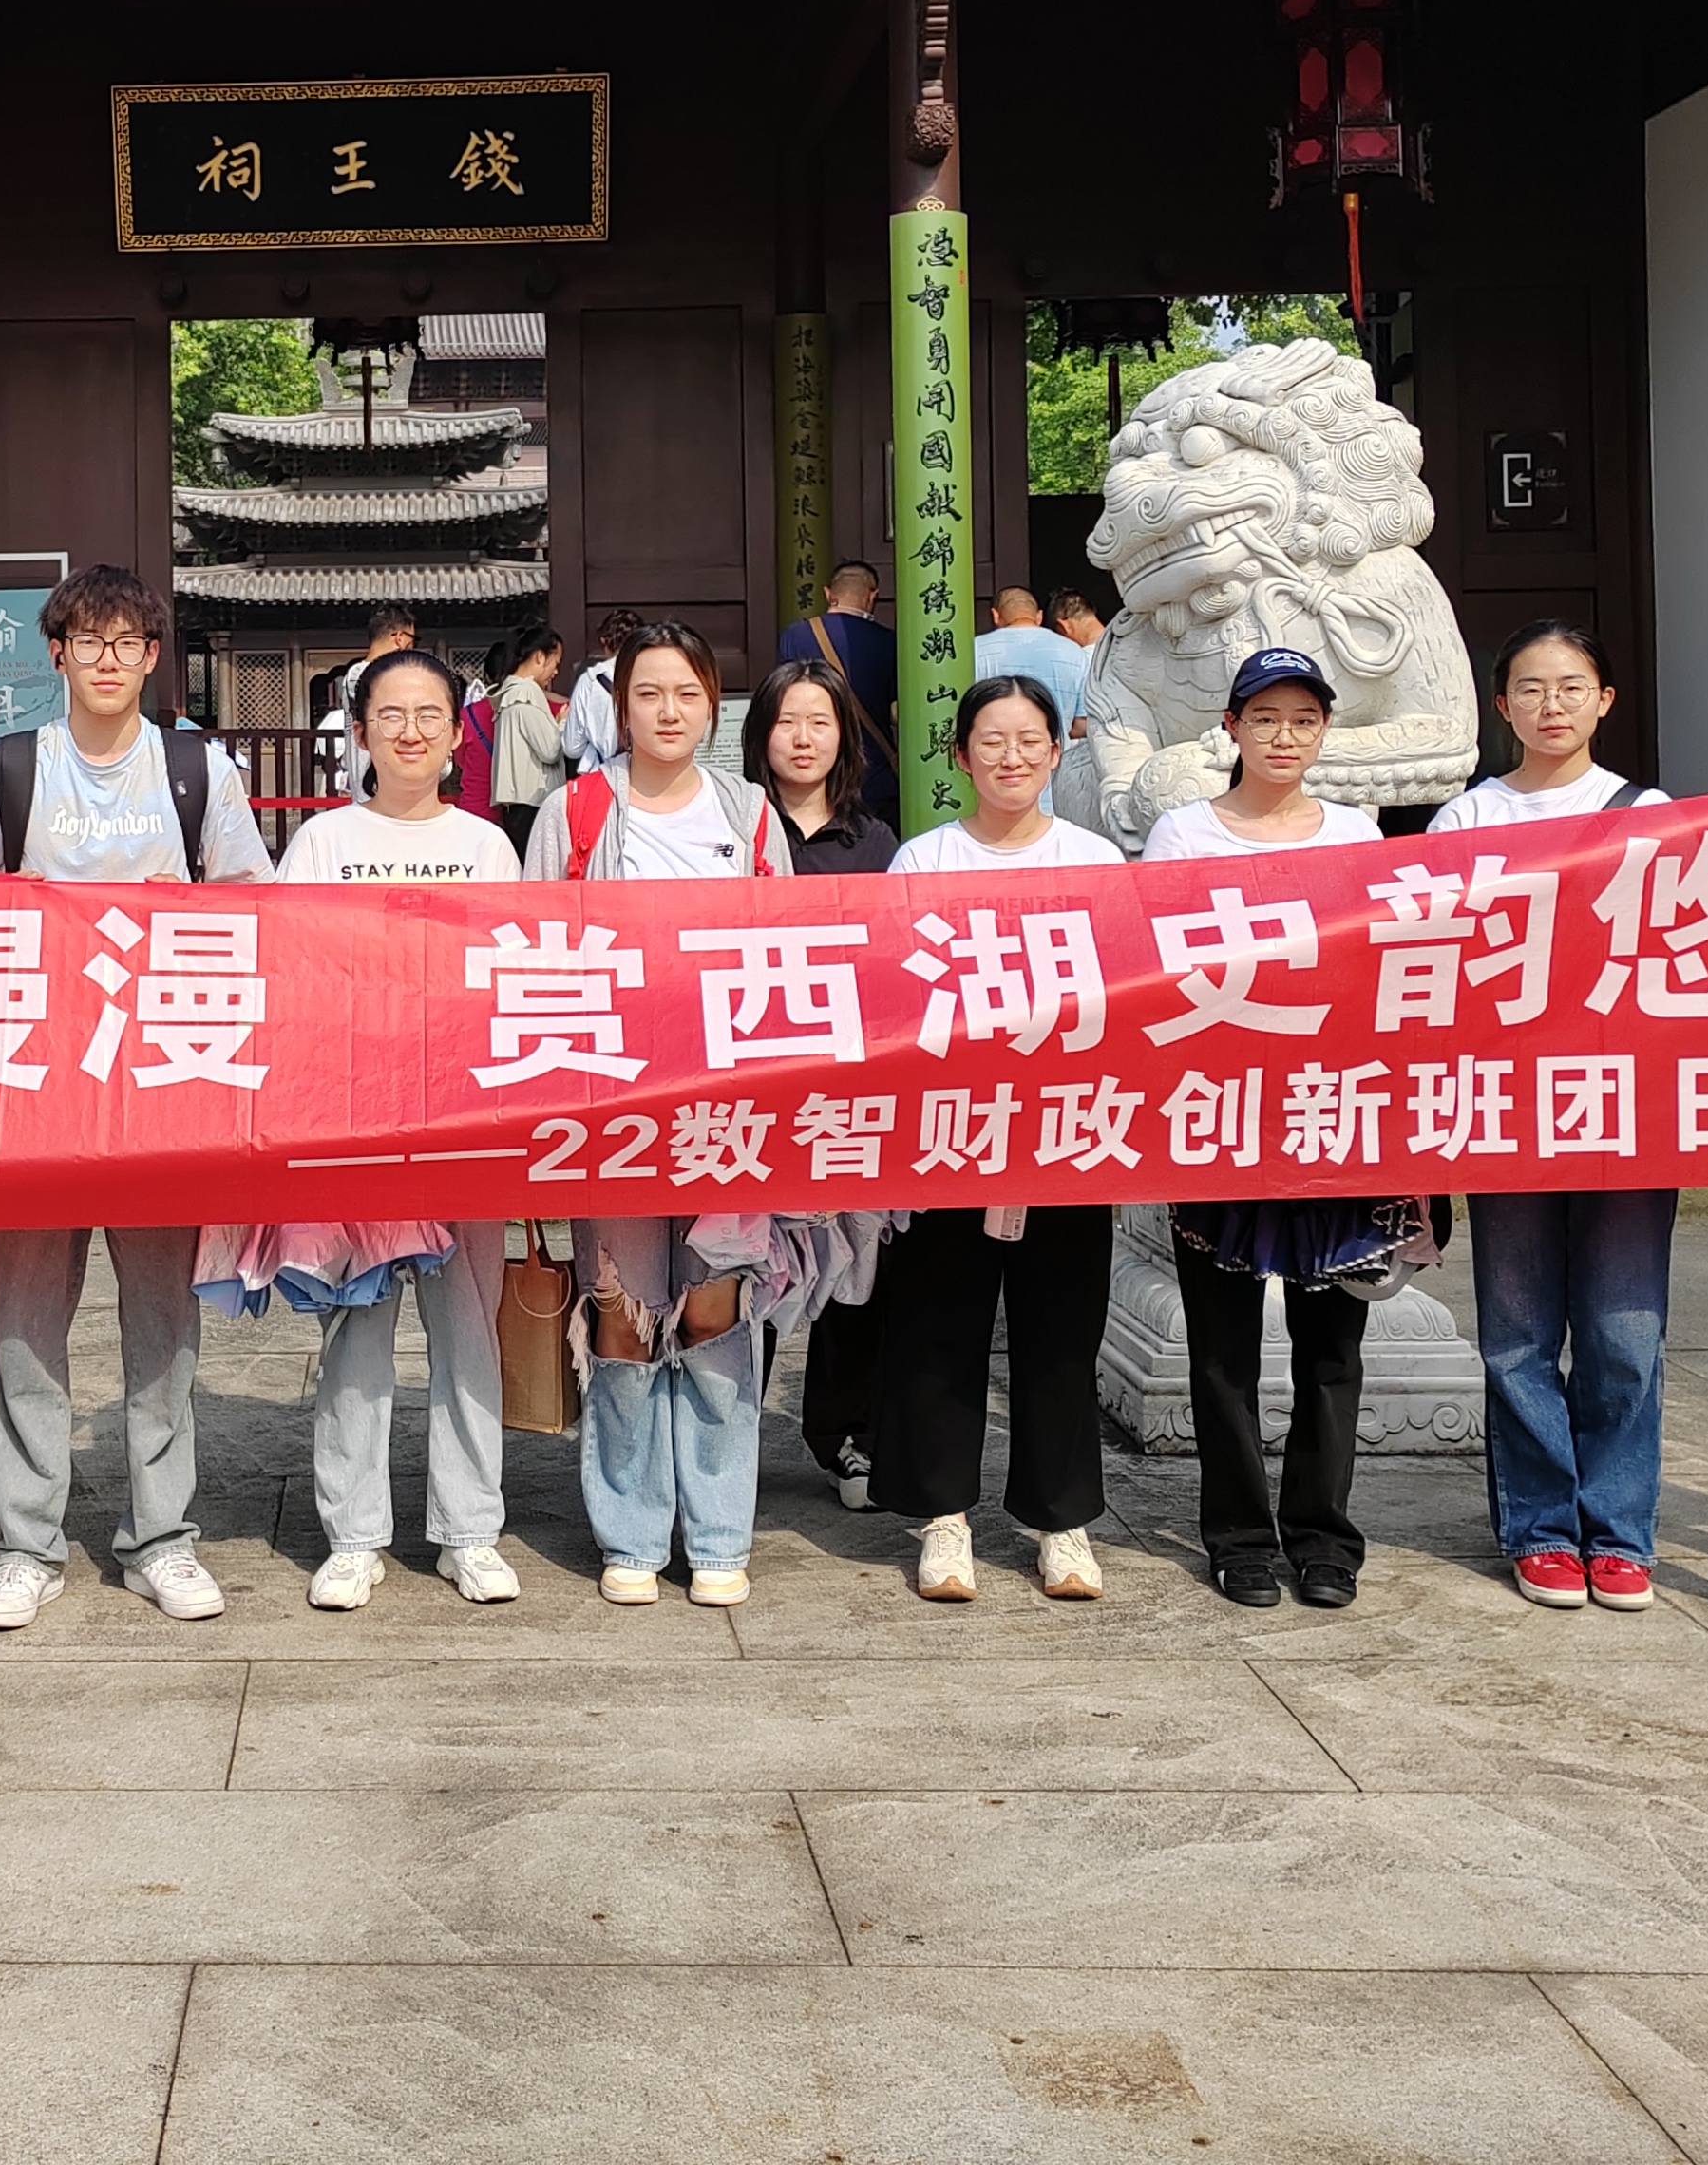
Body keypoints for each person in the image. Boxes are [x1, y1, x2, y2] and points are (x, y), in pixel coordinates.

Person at [0, 564, 271, 1629]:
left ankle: (162, 1538)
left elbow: (253, 911)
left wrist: (190, 919)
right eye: (86, 641)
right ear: (56, 655)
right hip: (37, 1088)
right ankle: (26, 1546)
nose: (106, 659)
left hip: (162, 1086)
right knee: (25, 1325)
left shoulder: (196, 769)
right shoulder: (5, 769)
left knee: (164, 1325)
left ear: (151, 657)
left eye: (127, 642)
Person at [525, 620, 795, 1605]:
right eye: (648, 694)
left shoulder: (750, 813)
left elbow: (790, 956)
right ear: (619, 707)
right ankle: (632, 1535)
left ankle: (719, 1536)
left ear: (712, 704)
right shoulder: (573, 813)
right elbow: (531, 955)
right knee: (622, 1312)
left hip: (729, 1107)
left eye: (688, 693)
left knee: (719, 1305)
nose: (669, 712)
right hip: (612, 1109)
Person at [853, 675, 1132, 1602]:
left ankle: (1061, 1522)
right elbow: (893, 998)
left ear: (1056, 752)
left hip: (1066, 1132)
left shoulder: (1095, 860)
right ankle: (943, 1519)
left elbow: (1127, 999)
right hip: (951, 1132)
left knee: (1061, 1330)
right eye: (991, 741)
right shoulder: (924, 859)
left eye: (1029, 740)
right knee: (940, 1326)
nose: (1011, 757)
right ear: (960, 756)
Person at [258, 647, 526, 1610]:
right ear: (361, 732)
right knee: (356, 1327)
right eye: (390, 715)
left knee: (468, 1330)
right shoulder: (322, 844)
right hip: (355, 1119)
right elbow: (290, 973)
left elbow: (511, 981)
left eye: (429, 716)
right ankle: (354, 1535)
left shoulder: (487, 847)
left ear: (456, 734)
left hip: (463, 1120)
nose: (410, 732)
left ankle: (469, 1530)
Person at [1143, 648, 1401, 1611]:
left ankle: (1324, 1538)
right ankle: (1239, 1536)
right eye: (1264, 718)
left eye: (1303, 719)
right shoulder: (1182, 834)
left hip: (1334, 1114)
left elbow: (1383, 968)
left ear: (1324, 730)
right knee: (1223, 1347)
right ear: (1231, 727)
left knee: (1332, 1344)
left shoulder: (1358, 833)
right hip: (1218, 1115)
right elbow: (1152, 967)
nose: (1283, 736)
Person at [1433, 621, 1675, 1615]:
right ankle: (1540, 1528)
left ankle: (1617, 1531)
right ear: (1502, 706)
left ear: (1604, 699)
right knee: (1518, 1330)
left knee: (1624, 1329)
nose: (1551, 705)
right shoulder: (1466, 818)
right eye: (1530, 689)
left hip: (1624, 1105)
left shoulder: (1650, 814)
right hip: (1508, 1103)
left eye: (1572, 686)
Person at [744, 657, 900, 875]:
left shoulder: (874, 842)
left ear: (842, 737)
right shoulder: (737, 833)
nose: (803, 739)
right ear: (760, 735)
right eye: (786, 722)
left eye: (819, 723)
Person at [778, 560, 897, 753]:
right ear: (872, 596)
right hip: (873, 758)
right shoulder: (888, 641)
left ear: (828, 594)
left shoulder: (795, 636)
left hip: (816, 753)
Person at [316, 606, 416, 802]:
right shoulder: (370, 676)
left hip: (369, 787)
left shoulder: (356, 675)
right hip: (377, 787)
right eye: (413, 640)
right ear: (400, 638)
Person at [485, 624, 568, 858]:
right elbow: (550, 750)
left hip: (515, 803)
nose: (555, 671)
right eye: (555, 662)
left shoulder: (508, 692)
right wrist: (563, 723)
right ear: (540, 657)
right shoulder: (527, 692)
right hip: (534, 801)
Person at [972, 586, 1091, 736]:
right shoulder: (1073, 651)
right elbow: (1082, 724)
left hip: (993, 748)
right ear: (1039, 617)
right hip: (1053, 748)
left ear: (995, 615)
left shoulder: (974, 649)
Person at [558, 609, 637, 777]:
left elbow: (572, 748)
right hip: (646, 777)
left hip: (603, 776)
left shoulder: (590, 680)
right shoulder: (653, 675)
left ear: (604, 641)